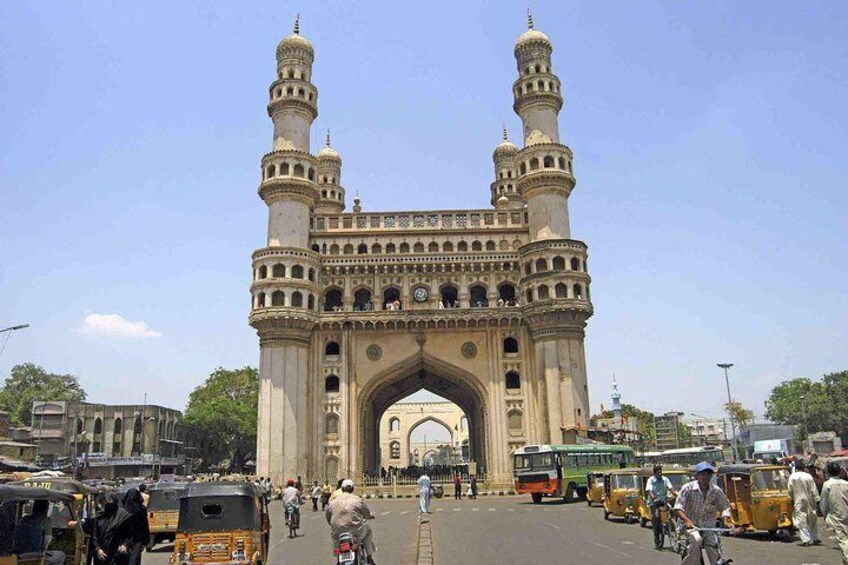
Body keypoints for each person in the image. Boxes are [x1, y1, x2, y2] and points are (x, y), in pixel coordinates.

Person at [674, 462, 734, 565]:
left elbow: (725, 507)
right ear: (697, 475)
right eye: (702, 474)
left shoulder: (716, 491)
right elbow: (678, 507)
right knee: (696, 540)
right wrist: (686, 521)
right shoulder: (687, 488)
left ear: (711, 475)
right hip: (690, 524)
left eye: (708, 474)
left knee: (714, 544)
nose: (705, 477)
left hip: (708, 525)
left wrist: (726, 520)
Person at [325, 480, 377, 565]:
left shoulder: (333, 502)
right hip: (356, 532)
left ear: (342, 489)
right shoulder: (358, 500)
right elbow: (366, 514)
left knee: (335, 537)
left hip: (338, 533)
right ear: (352, 489)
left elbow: (328, 516)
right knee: (368, 530)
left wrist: (332, 524)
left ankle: (338, 557)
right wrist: (369, 516)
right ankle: (369, 557)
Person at [12, 500, 66, 565]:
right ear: (46, 508)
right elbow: (47, 541)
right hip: (35, 556)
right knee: (61, 555)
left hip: (18, 555)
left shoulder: (24, 519)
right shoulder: (46, 520)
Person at [92, 492, 133, 565]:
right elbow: (95, 536)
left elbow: (130, 534)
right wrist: (98, 549)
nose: (107, 505)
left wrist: (125, 545)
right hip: (102, 555)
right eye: (105, 502)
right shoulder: (99, 517)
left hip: (118, 555)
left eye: (109, 503)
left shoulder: (123, 516)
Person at [787, 460, 821, 546]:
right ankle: (815, 538)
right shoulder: (808, 476)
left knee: (801, 519)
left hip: (798, 500)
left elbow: (790, 490)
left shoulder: (792, 477)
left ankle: (805, 540)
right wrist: (817, 500)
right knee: (812, 519)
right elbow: (814, 490)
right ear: (803, 468)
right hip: (810, 501)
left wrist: (791, 499)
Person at [821, 461, 848, 564]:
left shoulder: (827, 485)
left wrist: (825, 515)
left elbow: (824, 503)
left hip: (836, 517)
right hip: (846, 514)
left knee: (843, 541)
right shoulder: (846, 484)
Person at [646, 464, 677, 549]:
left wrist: (675, 495)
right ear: (655, 473)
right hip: (654, 502)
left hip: (664, 500)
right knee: (656, 517)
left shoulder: (665, 479)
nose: (660, 474)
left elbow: (671, 488)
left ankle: (670, 525)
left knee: (673, 510)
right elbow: (650, 490)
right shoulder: (650, 480)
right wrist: (654, 498)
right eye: (658, 473)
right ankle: (657, 537)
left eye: (661, 472)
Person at [121, 488, 150, 565]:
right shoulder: (141, 509)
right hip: (131, 540)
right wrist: (145, 542)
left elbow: (145, 526)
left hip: (135, 540)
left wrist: (144, 542)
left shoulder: (123, 511)